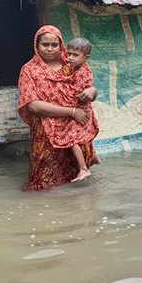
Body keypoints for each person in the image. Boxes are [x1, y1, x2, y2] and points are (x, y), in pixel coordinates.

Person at [17, 26, 99, 190]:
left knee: (78, 182)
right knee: (44, 183)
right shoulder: (29, 70)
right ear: (36, 45)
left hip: (75, 128)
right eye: (44, 44)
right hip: (45, 134)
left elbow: (86, 86)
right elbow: (33, 105)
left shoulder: (71, 64)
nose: (49, 49)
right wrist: (72, 112)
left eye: (54, 44)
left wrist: (92, 91)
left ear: (61, 45)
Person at [48, 37, 101, 182]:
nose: (70, 58)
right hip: (82, 109)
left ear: (86, 57)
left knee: (71, 139)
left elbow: (74, 93)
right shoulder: (76, 68)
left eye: (75, 55)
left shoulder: (82, 72)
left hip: (80, 109)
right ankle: (94, 157)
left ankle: (83, 168)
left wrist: (58, 95)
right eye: (69, 54)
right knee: (83, 134)